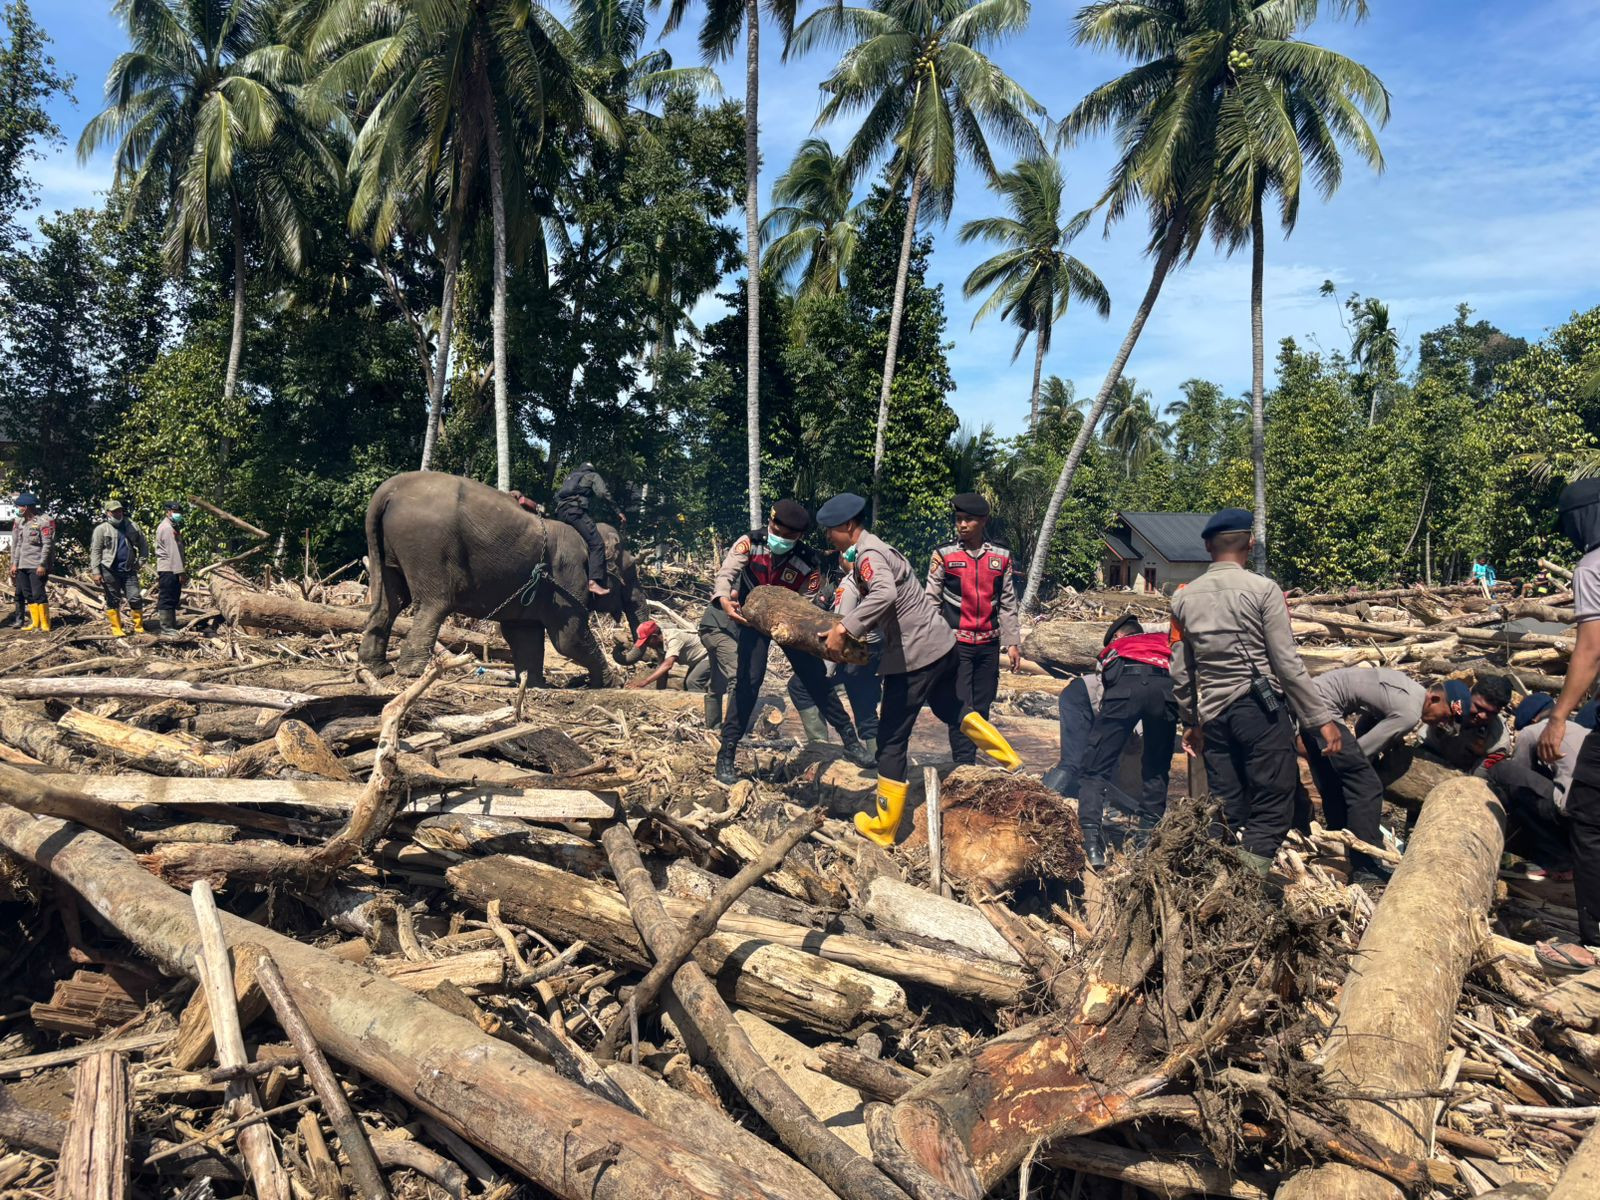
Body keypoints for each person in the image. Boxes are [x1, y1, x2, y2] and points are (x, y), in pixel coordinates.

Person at [817, 493, 1021, 846]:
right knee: (951, 708)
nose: (828, 539)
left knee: (891, 739)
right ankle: (1010, 761)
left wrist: (843, 628)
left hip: (915, 656)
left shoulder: (868, 554)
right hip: (943, 644)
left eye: (830, 532)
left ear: (848, 526)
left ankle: (883, 828)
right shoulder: (878, 547)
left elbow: (883, 595)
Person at [1169, 508, 1344, 874]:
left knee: (1228, 808)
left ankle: (1211, 881)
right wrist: (1320, 720)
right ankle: (1243, 889)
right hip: (1259, 712)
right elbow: (1286, 663)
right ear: (1250, 543)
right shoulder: (1265, 592)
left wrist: (1191, 721)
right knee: (1272, 807)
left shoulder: (1183, 598)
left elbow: (1182, 670)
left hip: (1214, 717)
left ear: (1207, 547)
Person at [712, 499, 871, 784]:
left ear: (799, 536)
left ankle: (850, 740)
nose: (778, 537)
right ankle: (726, 754)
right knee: (748, 682)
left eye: (787, 535)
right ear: (770, 522)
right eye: (775, 528)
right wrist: (724, 598)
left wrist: (806, 630)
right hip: (752, 620)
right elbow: (727, 573)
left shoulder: (808, 561)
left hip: (792, 622)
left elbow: (807, 603)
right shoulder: (751, 542)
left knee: (815, 679)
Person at [1534, 478, 1600, 973]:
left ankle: (1593, 942)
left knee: (1589, 816)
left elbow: (1591, 649)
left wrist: (1559, 715)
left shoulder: (1593, 566)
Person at [925, 493, 1022, 764]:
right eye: (958, 520)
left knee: (982, 706)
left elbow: (1008, 602)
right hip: (956, 645)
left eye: (968, 520)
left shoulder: (1001, 556)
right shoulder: (944, 554)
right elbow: (931, 600)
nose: (962, 525)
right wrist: (930, 642)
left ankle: (975, 760)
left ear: (983, 521)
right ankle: (963, 765)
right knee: (961, 706)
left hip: (989, 646)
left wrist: (1013, 643)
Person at [1075, 616, 1177, 868]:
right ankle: (1145, 841)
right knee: (1157, 766)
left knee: (1095, 767)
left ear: (1118, 637)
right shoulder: (1164, 641)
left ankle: (1091, 844)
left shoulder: (1113, 650)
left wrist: (1112, 735)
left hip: (1122, 691)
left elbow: (1102, 695)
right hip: (1164, 693)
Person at [1488, 695, 1583, 882]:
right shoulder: (1581, 729)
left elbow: (1519, 776)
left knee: (1508, 777)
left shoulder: (1533, 731)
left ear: (1532, 720)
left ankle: (1561, 864)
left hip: (1578, 811)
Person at [788, 568, 881, 756]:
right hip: (874, 652)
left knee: (800, 686)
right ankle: (880, 765)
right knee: (866, 713)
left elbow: (840, 626)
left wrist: (827, 669)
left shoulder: (849, 585)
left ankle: (820, 747)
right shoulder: (879, 578)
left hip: (848, 654)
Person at [1313, 667, 1426, 762]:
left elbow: (1365, 724)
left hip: (1322, 684)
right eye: (1444, 716)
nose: (1440, 723)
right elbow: (1360, 752)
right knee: (1350, 767)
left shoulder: (1414, 689)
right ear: (1435, 699)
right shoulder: (1410, 714)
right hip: (1324, 699)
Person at [1420, 677, 1512, 774]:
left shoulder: (1499, 743)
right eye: (1479, 707)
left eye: (1491, 713)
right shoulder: (1451, 707)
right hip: (1432, 754)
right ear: (1469, 695)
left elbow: (1480, 777)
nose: (1482, 716)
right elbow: (1425, 739)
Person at [89, 498, 151, 637]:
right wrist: (96, 572)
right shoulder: (101, 529)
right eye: (114, 511)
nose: (118, 513)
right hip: (109, 569)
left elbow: (143, 545)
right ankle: (117, 628)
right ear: (108, 513)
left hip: (129, 569)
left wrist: (140, 562)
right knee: (113, 598)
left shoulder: (132, 526)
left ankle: (138, 626)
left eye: (120, 511)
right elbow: (96, 551)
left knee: (135, 597)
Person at [554, 462, 617, 596]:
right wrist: (617, 511)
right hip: (575, 512)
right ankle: (593, 582)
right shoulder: (592, 476)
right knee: (597, 544)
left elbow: (557, 496)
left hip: (560, 513)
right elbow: (602, 493)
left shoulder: (570, 478)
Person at [624, 619, 711, 692]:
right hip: (697, 661)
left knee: (692, 681)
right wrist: (659, 693)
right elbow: (663, 670)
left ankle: (702, 708)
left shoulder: (673, 639)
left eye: (646, 642)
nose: (646, 645)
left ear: (654, 637)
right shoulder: (659, 645)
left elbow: (668, 665)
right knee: (687, 685)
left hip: (709, 655)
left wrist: (644, 683)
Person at [9, 492, 54, 633]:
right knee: (28, 594)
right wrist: (15, 563)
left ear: (27, 507)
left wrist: (42, 564)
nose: (18, 509)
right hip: (22, 563)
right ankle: (35, 623)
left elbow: (47, 545)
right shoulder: (22, 523)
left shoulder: (43, 521)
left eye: (20, 507)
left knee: (38, 594)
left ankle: (45, 624)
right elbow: (18, 545)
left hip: (36, 564)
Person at [154, 501, 186, 635]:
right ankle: (166, 628)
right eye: (175, 512)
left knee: (173, 597)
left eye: (179, 512)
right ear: (168, 512)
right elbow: (173, 552)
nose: (177, 514)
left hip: (173, 567)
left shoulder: (173, 526)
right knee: (167, 597)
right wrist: (180, 572)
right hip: (169, 568)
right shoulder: (167, 528)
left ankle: (171, 626)